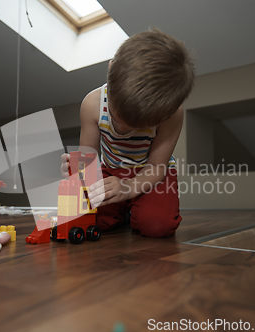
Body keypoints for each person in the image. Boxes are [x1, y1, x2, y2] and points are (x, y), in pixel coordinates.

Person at [61, 28, 195, 237]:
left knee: (157, 226)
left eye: (137, 127)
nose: (123, 130)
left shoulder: (173, 114)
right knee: (92, 220)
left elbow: (156, 167)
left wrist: (128, 188)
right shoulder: (92, 104)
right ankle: (124, 211)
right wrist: (75, 173)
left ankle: (131, 205)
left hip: (150, 172)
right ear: (110, 69)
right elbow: (88, 159)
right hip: (111, 169)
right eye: (117, 118)